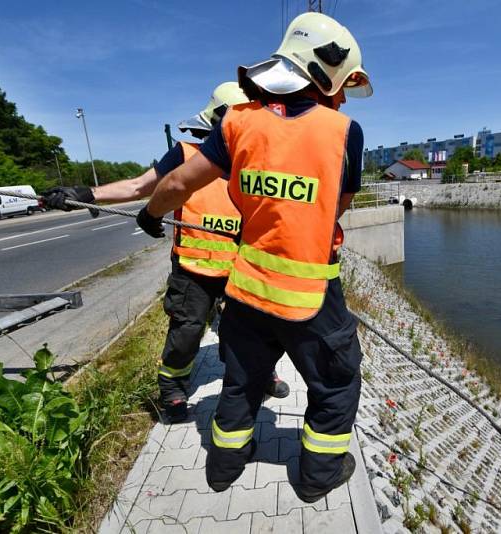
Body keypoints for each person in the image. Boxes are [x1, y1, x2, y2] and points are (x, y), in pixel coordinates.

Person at [135, 12, 371, 502]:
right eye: (344, 83)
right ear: (323, 71)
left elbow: (177, 183)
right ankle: (316, 478)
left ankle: (223, 468)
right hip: (312, 297)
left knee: (242, 383)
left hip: (245, 290)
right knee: (336, 385)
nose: (345, 96)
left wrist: (152, 215)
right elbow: (337, 208)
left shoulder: (238, 124)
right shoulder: (345, 132)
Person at [42, 82, 290, 424]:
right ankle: (172, 387)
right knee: (187, 330)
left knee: (255, 329)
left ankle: (264, 374)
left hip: (242, 266)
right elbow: (140, 186)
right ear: (219, 119)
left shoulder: (256, 160)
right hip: (195, 267)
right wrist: (86, 193)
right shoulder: (188, 156)